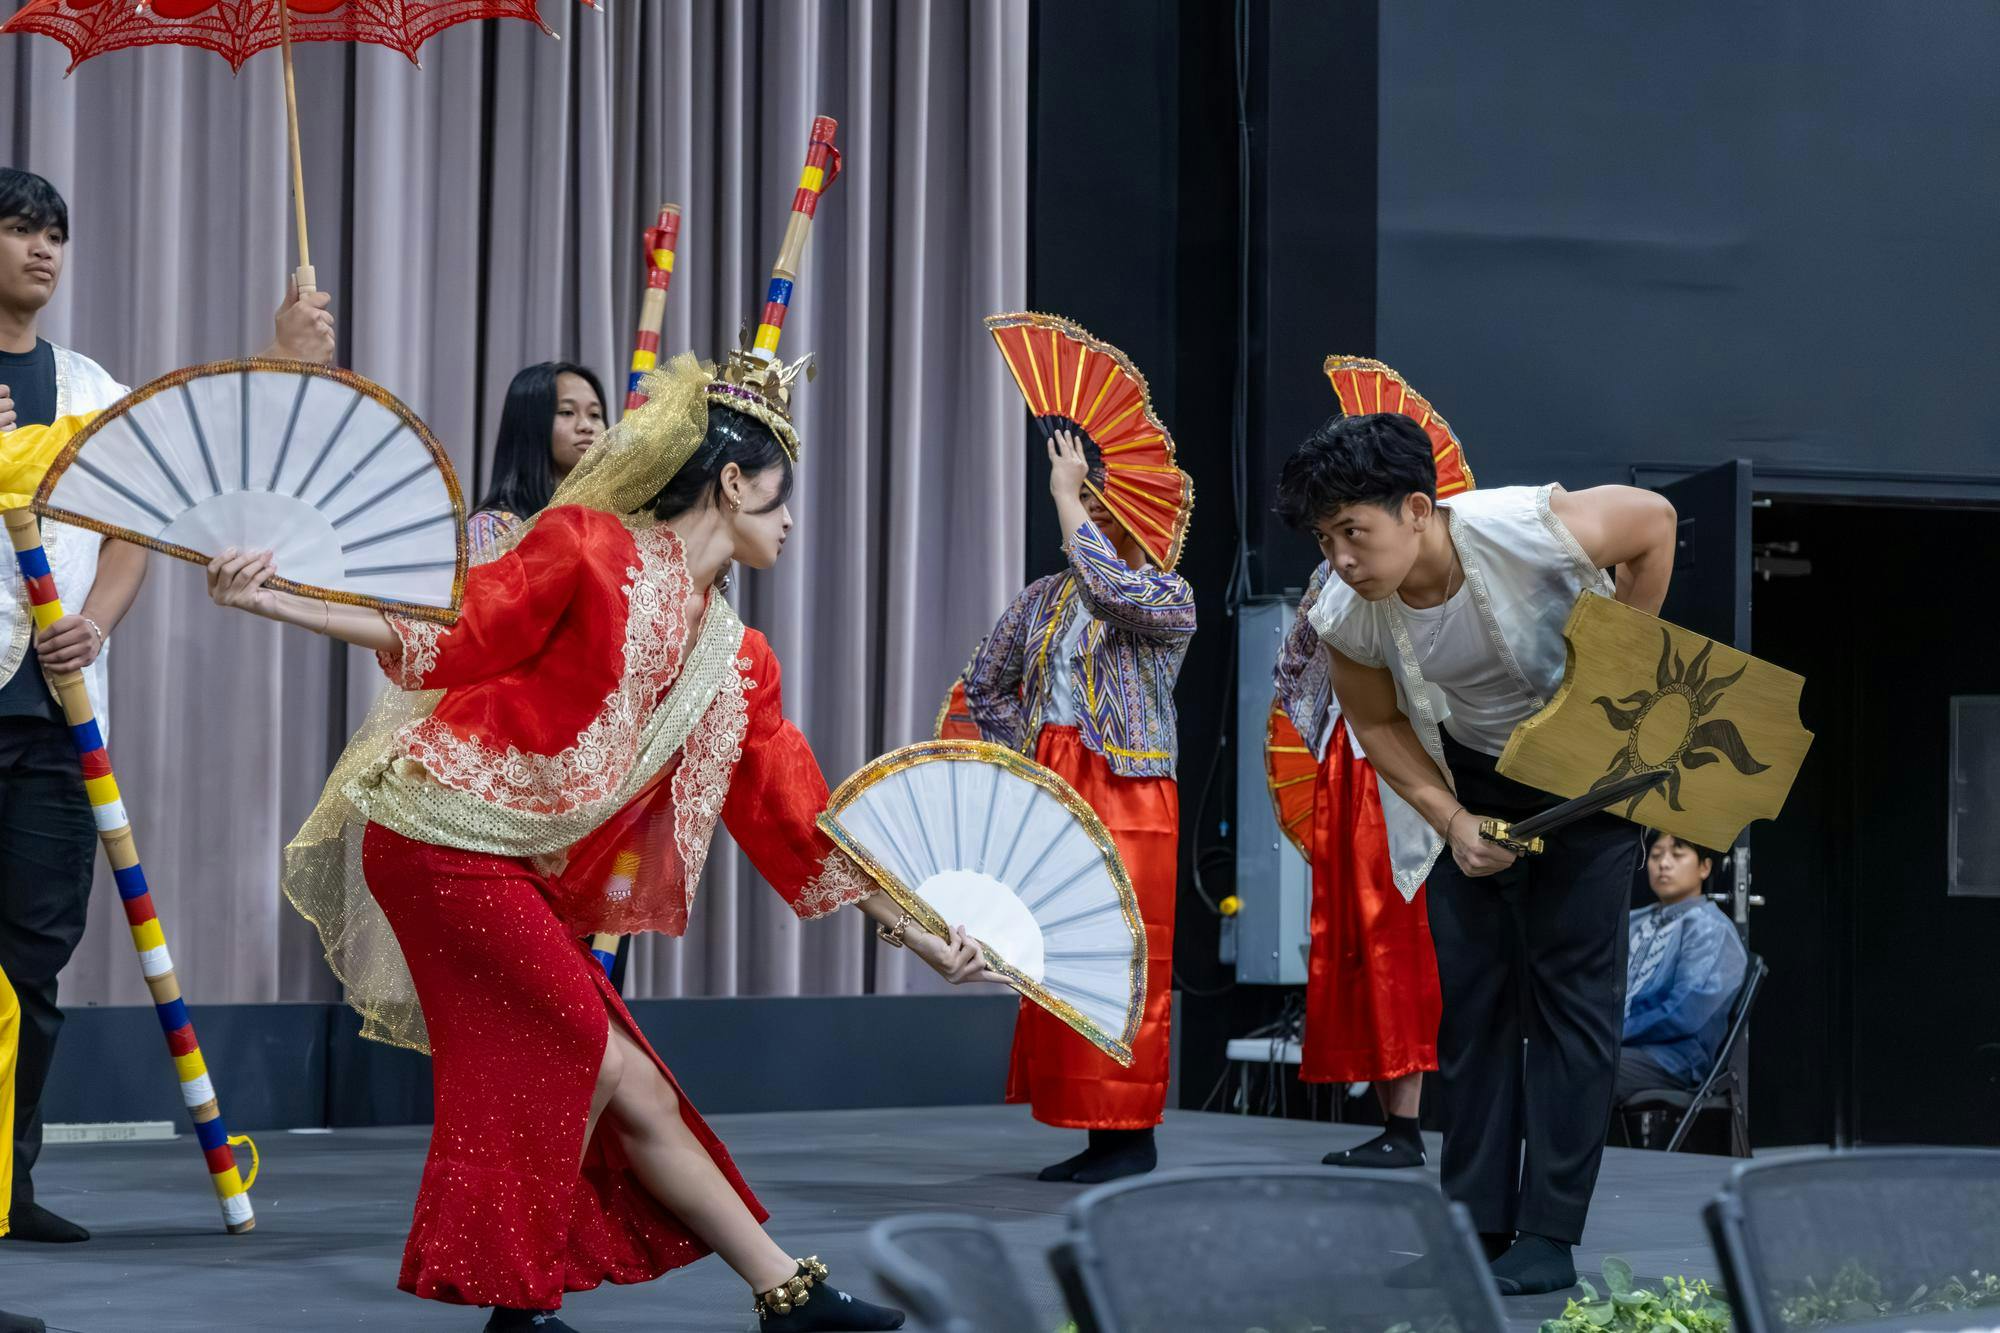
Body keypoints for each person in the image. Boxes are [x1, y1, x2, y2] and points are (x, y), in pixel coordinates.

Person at [205, 350, 993, 1332]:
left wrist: (915, 928)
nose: (790, 523)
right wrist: (275, 595)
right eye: (780, 497)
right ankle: (515, 1301)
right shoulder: (583, 543)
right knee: (584, 1048)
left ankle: (784, 1292)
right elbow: (452, 626)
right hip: (438, 839)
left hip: (515, 864)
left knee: (630, 1080)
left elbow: (790, 812)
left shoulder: (734, 657)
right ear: (732, 482)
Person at [0, 165, 333, 1245]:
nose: (42, 251)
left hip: (57, 715)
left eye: (55, 233)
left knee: (32, 957)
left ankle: (8, 1178)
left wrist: (95, 621)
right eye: (19, 231)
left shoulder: (95, 388)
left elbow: (136, 534)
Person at [1275, 410, 1676, 1295]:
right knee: (1476, 1011)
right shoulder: (1348, 610)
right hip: (1470, 782)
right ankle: (1476, 1226)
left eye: (1354, 531)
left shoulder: (1529, 528)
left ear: (1418, 508)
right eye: (1324, 536)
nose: (1339, 556)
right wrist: (1452, 819)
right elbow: (1376, 722)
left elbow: (1654, 524)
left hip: (1583, 775)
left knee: (1572, 1003)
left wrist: (1615, 669)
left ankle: (1546, 1234)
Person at [963, 429, 1195, 1185]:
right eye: (1083, 493)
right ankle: (1096, 1130)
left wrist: (1064, 497)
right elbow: (984, 680)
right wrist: (1028, 746)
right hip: (1058, 782)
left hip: (1129, 789)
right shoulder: (1040, 599)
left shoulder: (1166, 592)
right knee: (1058, 953)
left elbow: (1109, 590)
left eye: (1100, 495)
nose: (1091, 505)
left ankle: (1132, 1133)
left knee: (1123, 955)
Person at [1273, 561, 1440, 1169]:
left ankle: (1408, 1119)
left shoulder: (1427, 558)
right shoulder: (1329, 571)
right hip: (1348, 754)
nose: (1340, 546)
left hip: (1400, 755)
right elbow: (1294, 659)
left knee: (1397, 933)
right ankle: (1396, 1120)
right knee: (1351, 934)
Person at [1617, 834, 1748, 1104]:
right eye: (1655, 855)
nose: (1664, 863)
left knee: (1580, 1067)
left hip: (1671, 1059)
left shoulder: (1709, 929)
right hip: (1620, 1046)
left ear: (1704, 867)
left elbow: (1684, 1012)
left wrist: (1613, 1033)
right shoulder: (1633, 919)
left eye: (1677, 854)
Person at [467, 361, 609, 560]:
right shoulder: (495, 528)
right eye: (567, 412)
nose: (587, 426)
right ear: (529, 425)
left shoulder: (608, 524)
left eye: (595, 414)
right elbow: (487, 591)